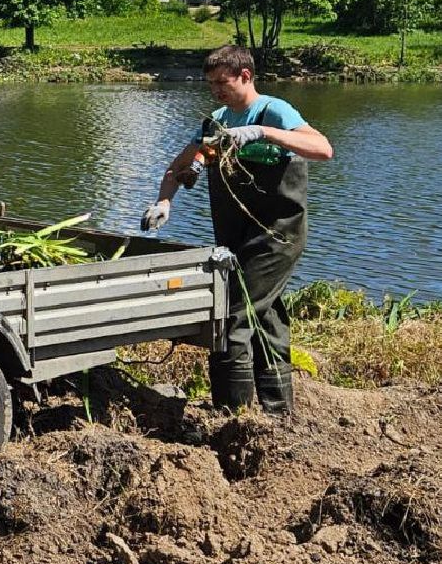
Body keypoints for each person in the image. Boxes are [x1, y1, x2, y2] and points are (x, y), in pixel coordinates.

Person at [141, 45, 333, 414]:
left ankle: (234, 414)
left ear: (245, 76)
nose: (215, 90)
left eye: (222, 82)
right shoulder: (215, 121)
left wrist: (263, 133)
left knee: (232, 313)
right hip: (234, 236)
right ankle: (278, 411)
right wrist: (165, 201)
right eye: (210, 83)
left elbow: (323, 149)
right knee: (267, 315)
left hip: (277, 235)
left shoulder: (273, 110)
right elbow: (176, 167)